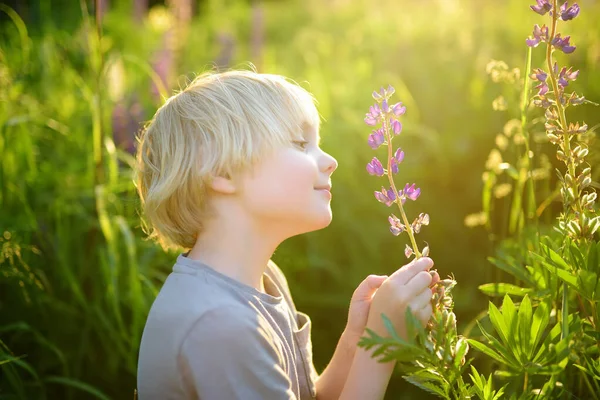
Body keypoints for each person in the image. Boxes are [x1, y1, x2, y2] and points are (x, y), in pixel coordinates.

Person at [135, 69, 439, 400]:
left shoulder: (263, 279)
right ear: (221, 171)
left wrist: (359, 338)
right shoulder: (220, 324)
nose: (331, 161)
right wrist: (383, 343)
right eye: (300, 144)